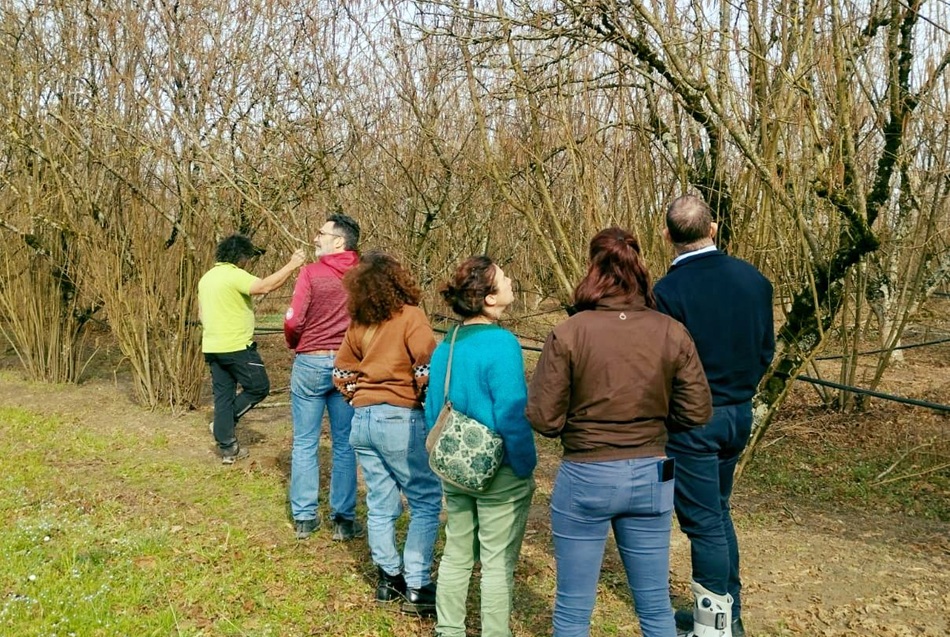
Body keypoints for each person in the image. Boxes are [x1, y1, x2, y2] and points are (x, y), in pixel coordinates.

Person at [526, 228, 712, 637]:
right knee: (656, 607)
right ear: (640, 267)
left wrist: (574, 426)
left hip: (587, 474)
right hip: (651, 473)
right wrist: (657, 426)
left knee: (573, 611)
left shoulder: (570, 333)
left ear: (593, 269)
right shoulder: (670, 331)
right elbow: (697, 410)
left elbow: (543, 417)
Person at [653, 195, 774, 637]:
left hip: (693, 422)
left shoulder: (667, 293)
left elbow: (661, 366)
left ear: (666, 236)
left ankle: (714, 626)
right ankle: (729, 614)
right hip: (738, 415)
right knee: (718, 514)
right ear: (714, 228)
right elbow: (766, 351)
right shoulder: (753, 280)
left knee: (704, 523)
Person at [426, 256, 538, 637]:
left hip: (454, 466)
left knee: (457, 554)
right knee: (495, 563)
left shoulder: (448, 343)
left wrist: (442, 456)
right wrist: (525, 465)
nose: (511, 281)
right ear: (488, 299)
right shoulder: (503, 344)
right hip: (501, 472)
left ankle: (449, 629)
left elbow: (432, 409)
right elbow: (512, 414)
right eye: (503, 278)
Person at [332, 251, 442, 617]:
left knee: (380, 503)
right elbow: (427, 366)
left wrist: (360, 399)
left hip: (361, 420)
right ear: (399, 281)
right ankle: (417, 585)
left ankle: (387, 579)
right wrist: (427, 402)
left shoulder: (358, 325)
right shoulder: (411, 316)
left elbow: (342, 374)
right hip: (400, 418)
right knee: (425, 499)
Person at [284, 213, 362, 541]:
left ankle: (304, 517)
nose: (316, 238)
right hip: (349, 366)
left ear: (339, 241)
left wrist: (295, 343)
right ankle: (343, 520)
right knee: (345, 443)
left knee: (305, 441)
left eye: (321, 233)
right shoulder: (363, 276)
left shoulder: (311, 273)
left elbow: (293, 321)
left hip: (311, 362)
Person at [198, 234, 306, 464]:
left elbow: (201, 314)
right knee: (258, 387)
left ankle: (228, 449)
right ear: (241, 257)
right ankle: (221, 426)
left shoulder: (206, 278)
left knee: (223, 397)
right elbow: (265, 286)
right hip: (237, 346)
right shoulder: (234, 275)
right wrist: (293, 264)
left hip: (212, 346)